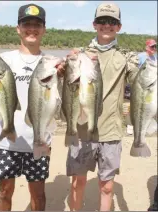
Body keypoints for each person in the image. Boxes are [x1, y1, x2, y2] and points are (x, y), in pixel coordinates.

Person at [0, 3, 64, 211]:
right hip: (6, 145)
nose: (31, 29)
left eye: (37, 24)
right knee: (4, 192)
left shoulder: (52, 63)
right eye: (26, 24)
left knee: (39, 195)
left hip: (41, 138)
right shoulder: (2, 60)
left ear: (44, 29)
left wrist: (69, 68)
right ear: (18, 28)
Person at [65, 2, 140, 211]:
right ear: (94, 24)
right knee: (77, 182)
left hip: (111, 130)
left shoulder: (128, 56)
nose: (107, 25)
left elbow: (139, 81)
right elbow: (64, 83)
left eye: (112, 22)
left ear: (119, 26)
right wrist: (65, 64)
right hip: (81, 131)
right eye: (102, 21)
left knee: (107, 187)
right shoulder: (79, 54)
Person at [125, 39, 157, 135]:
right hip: (139, 86)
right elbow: (133, 71)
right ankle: (131, 127)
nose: (154, 48)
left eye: (155, 46)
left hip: (150, 85)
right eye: (152, 46)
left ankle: (148, 126)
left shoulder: (155, 58)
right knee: (135, 105)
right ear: (146, 47)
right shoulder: (140, 57)